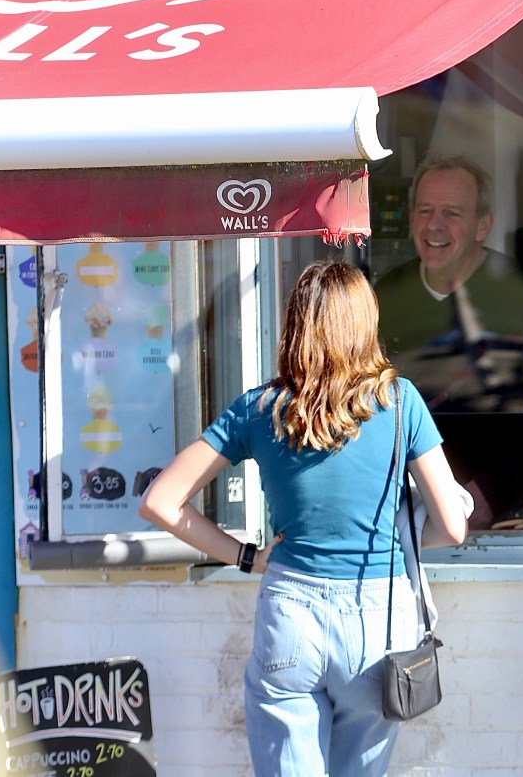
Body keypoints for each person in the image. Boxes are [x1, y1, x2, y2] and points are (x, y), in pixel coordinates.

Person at [139, 261, 468, 777]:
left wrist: (246, 558)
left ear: (296, 323)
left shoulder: (260, 408)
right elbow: (452, 526)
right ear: (366, 324)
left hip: (291, 609)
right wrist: (400, 536)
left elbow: (160, 501)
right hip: (377, 615)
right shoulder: (401, 402)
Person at [374, 152, 523, 524]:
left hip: (503, 513)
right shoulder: (380, 298)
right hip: (400, 511)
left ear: (482, 226)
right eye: (424, 211)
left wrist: (491, 494)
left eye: (451, 213)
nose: (434, 226)